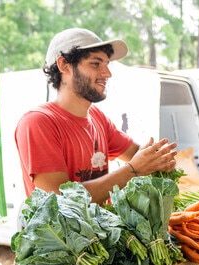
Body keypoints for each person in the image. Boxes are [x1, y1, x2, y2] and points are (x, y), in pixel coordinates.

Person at [15, 28, 177, 204]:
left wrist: (160, 159)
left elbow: (137, 154)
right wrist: (132, 171)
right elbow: (58, 201)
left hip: (100, 231)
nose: (107, 73)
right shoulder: (38, 122)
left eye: (107, 64)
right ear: (64, 65)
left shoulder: (97, 118)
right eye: (95, 64)